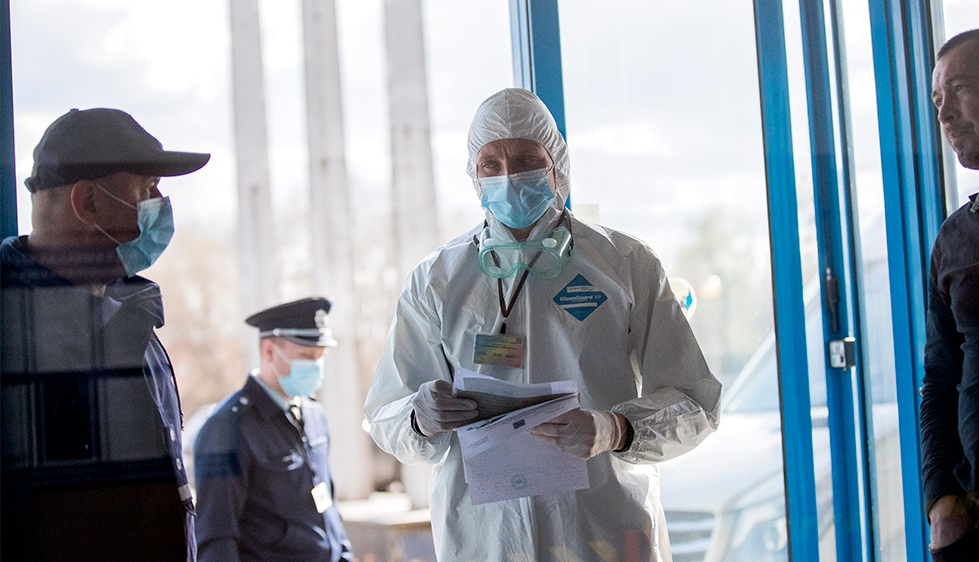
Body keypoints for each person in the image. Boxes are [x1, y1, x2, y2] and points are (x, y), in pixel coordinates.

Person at [364, 88, 722, 561]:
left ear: (558, 165)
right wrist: (417, 416)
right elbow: (385, 410)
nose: (508, 176)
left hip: (602, 529)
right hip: (485, 537)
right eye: (491, 163)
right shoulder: (438, 281)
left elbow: (695, 402)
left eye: (526, 158)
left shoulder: (626, 265)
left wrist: (617, 428)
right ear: (474, 175)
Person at [0, 108, 210, 560]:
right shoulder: (10, 327)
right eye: (145, 189)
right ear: (88, 202)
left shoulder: (132, 314)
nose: (161, 206)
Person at [193, 297, 353, 562]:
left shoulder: (314, 415)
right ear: (269, 351)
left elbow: (328, 509)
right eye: (305, 356)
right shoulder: (228, 427)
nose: (315, 366)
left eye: (319, 357)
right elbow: (216, 536)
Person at [921, 26, 979, 562]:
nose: (944, 113)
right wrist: (942, 506)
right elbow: (941, 380)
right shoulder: (956, 237)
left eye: (962, 87)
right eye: (937, 99)